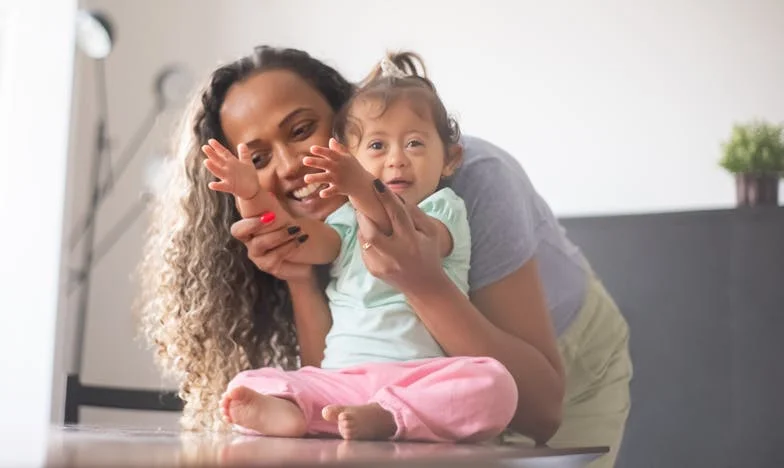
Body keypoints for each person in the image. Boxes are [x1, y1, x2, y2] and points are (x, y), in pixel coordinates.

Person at [139, 46, 631, 467]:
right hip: (409, 386)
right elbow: (336, 378)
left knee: (488, 392)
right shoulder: (329, 226)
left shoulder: (462, 181)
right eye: (259, 159)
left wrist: (423, 282)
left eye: (301, 129)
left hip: (557, 360)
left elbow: (541, 412)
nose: (288, 167)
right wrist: (300, 277)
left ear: (346, 120)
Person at [200, 54, 518, 442]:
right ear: (355, 154)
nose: (396, 160)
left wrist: (358, 186)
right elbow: (286, 234)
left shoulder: (443, 210)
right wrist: (249, 192)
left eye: (414, 144)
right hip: (343, 379)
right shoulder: (343, 221)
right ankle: (292, 413)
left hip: (419, 379)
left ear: (450, 159)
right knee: (252, 381)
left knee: (494, 383)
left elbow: (400, 234)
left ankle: (390, 416)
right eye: (378, 146)